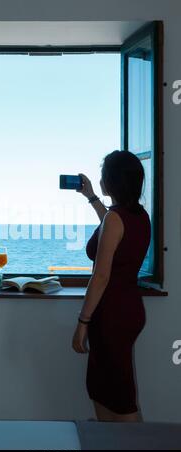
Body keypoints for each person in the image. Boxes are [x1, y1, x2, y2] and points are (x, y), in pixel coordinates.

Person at [71, 150, 151, 422]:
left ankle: (133, 444)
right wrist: (92, 198)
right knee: (107, 387)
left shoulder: (115, 219)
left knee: (118, 395)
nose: (100, 179)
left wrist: (83, 322)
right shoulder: (138, 216)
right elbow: (112, 227)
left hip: (112, 315)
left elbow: (101, 276)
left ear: (113, 181)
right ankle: (112, 441)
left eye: (103, 174)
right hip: (129, 309)